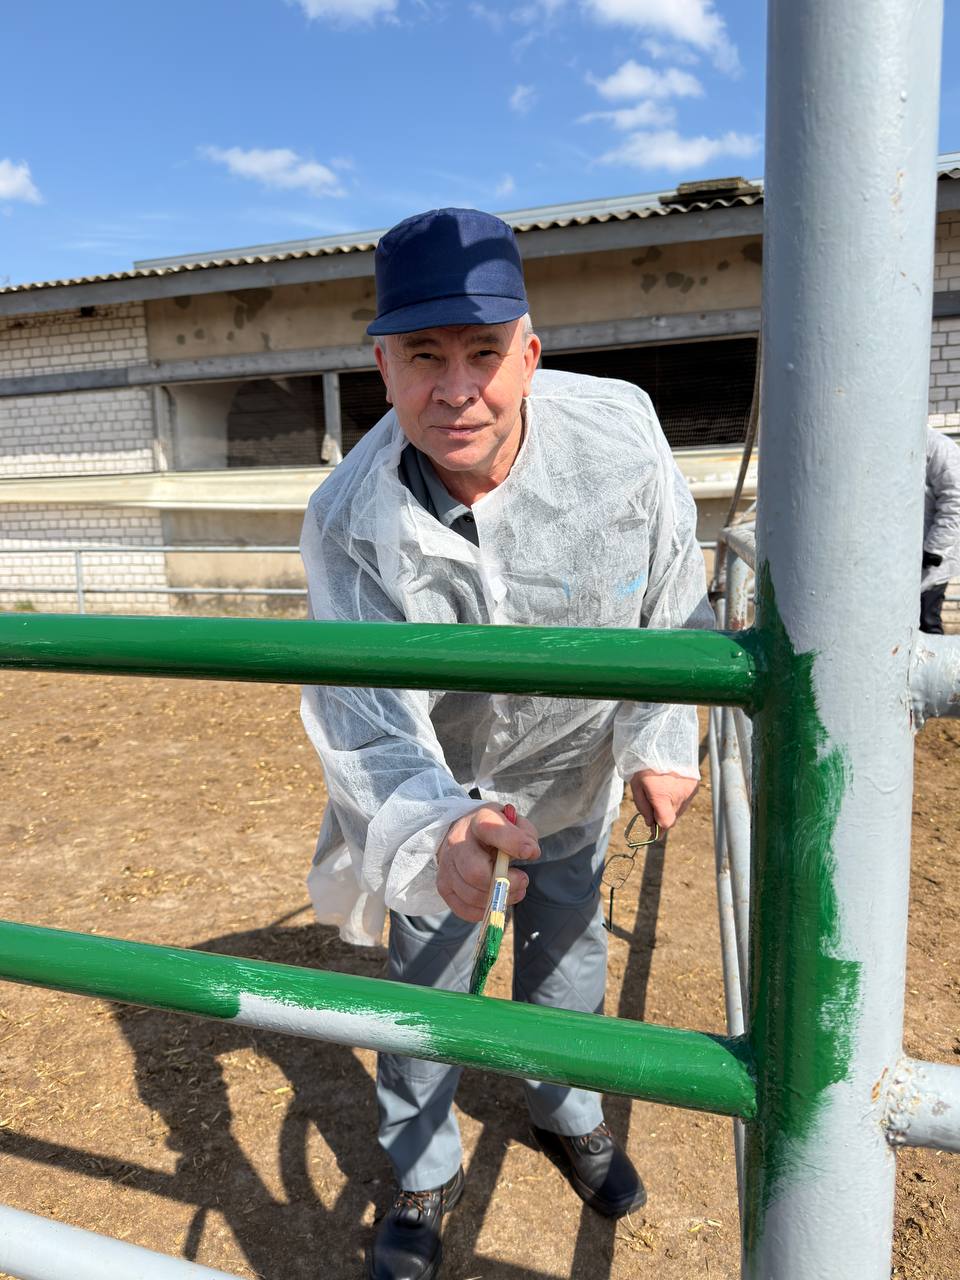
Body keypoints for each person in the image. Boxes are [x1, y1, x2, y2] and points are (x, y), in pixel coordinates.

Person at [299, 208, 712, 1280]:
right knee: (429, 976)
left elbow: (673, 585)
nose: (457, 389)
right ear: (382, 367)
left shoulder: (620, 435)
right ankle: (423, 1167)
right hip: (449, 785)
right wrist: (435, 826)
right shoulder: (348, 516)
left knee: (569, 945)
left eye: (483, 352)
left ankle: (565, 1104)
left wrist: (662, 733)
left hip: (577, 767)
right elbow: (361, 704)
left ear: (529, 353)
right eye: (423, 356)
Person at [921, 425, 960, 634]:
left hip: (933, 563)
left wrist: (933, 550)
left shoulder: (938, 447)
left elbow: (955, 503)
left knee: (927, 623)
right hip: (903, 563)